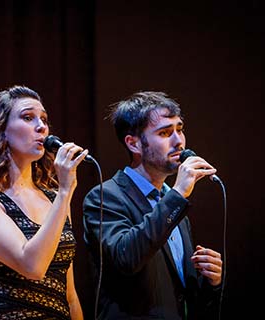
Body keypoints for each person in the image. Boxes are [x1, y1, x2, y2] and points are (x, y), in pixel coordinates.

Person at [82, 91, 223, 319]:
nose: (178, 141)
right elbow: (126, 258)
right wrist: (177, 194)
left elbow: (178, 295)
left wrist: (211, 282)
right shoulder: (105, 197)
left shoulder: (173, 203)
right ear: (134, 144)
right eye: (165, 132)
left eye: (180, 129)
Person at [0, 85, 85, 320]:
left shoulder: (54, 198)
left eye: (44, 120)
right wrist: (65, 191)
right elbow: (32, 266)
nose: (41, 127)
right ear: (2, 130)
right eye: (28, 118)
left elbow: (69, 293)